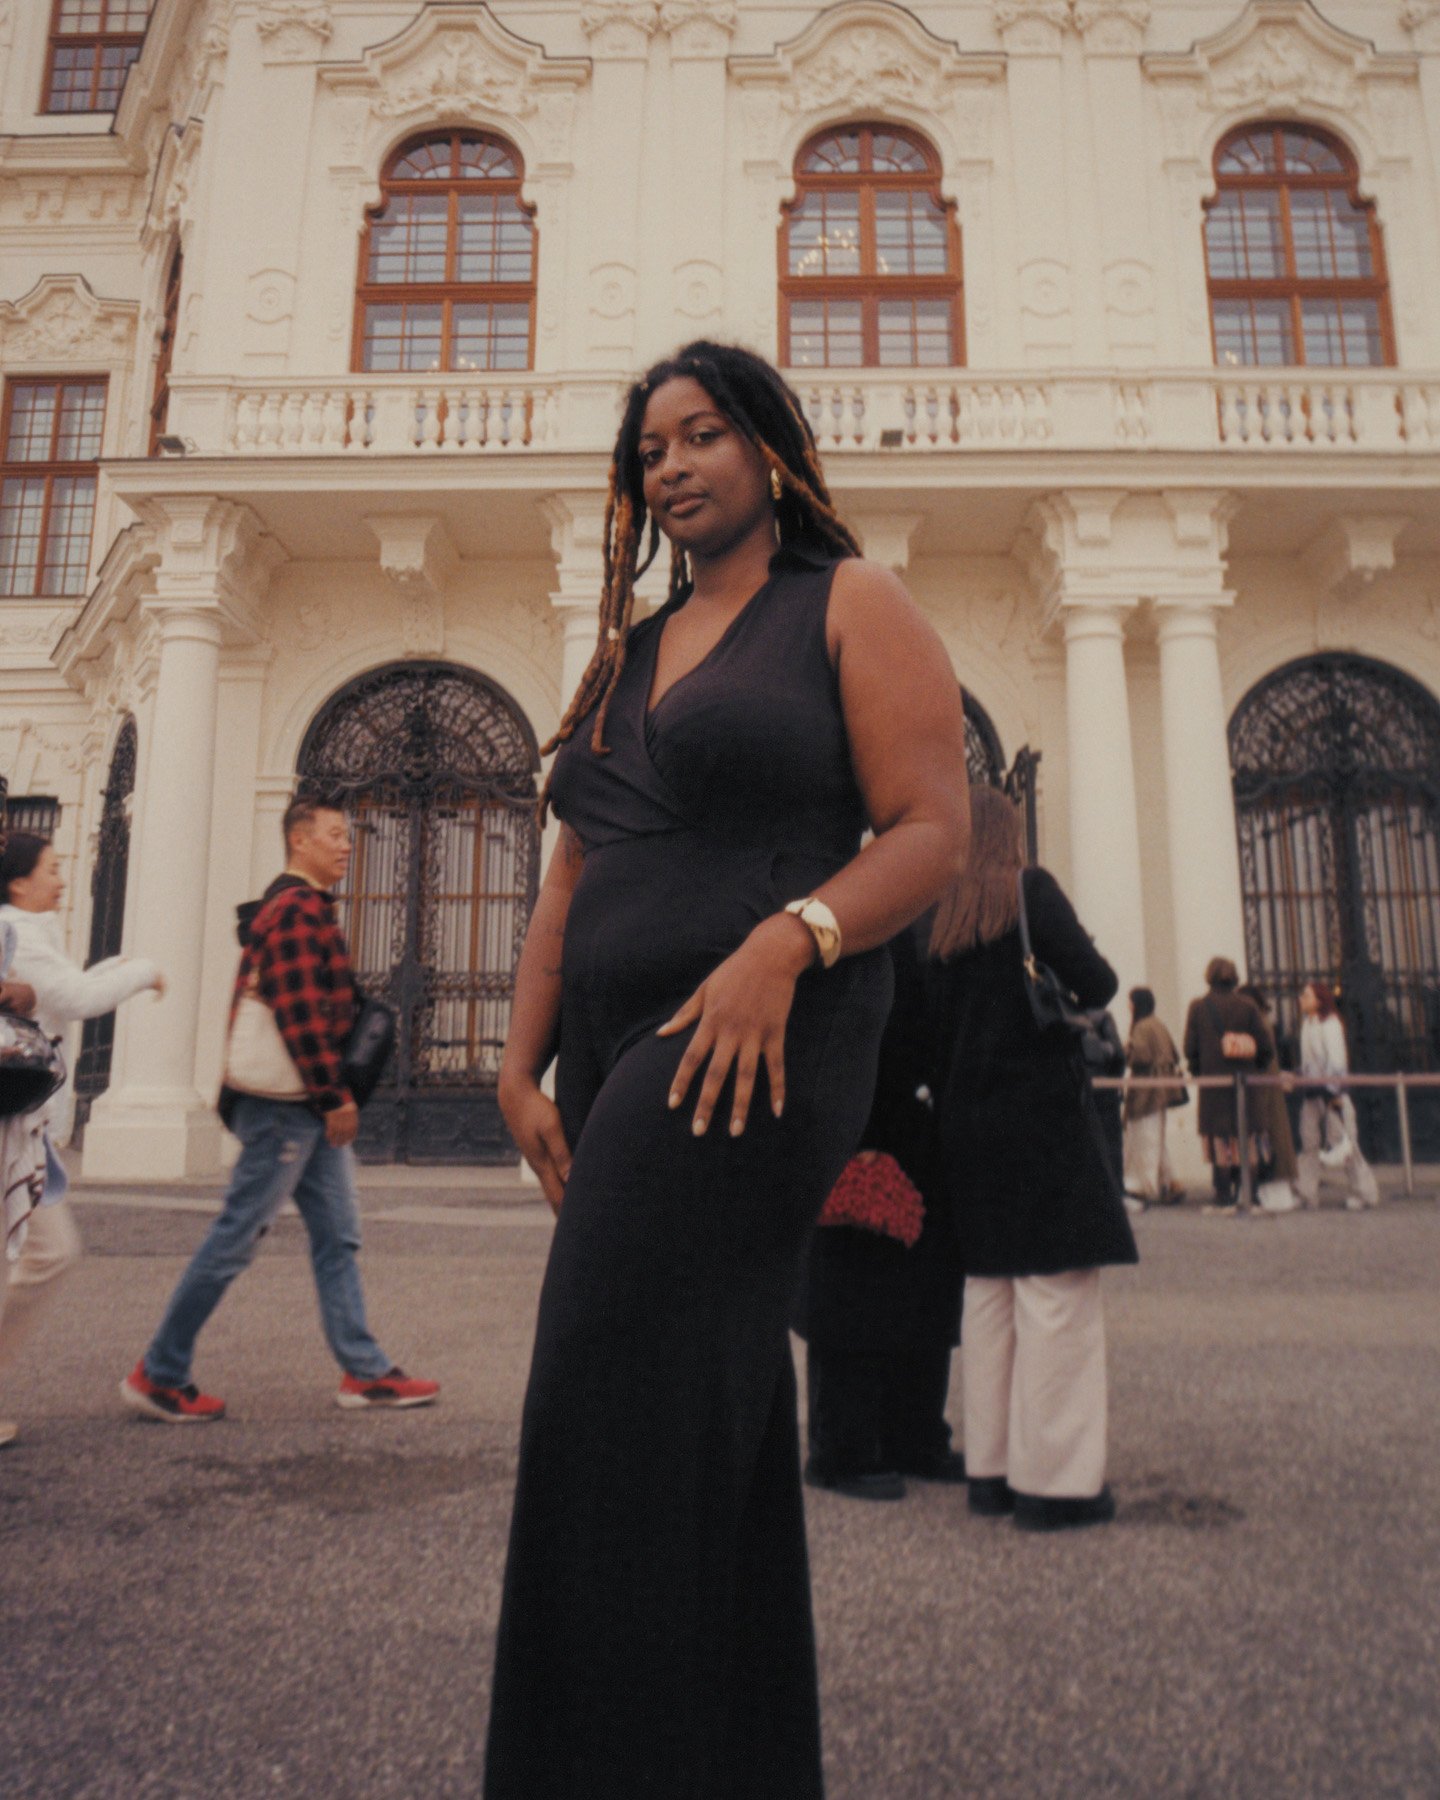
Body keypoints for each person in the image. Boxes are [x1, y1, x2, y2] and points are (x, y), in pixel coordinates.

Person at [485, 341, 970, 1798]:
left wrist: (790, 941)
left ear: (770, 449)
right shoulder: (623, 655)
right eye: (651, 451)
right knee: (705, 1399)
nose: (675, 466)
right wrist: (516, 1072)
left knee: (600, 1391)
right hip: (611, 1048)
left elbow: (931, 831)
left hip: (753, 1041)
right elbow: (572, 879)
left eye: (704, 436)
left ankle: (599, 1764)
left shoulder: (850, 604)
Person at [121, 798, 438, 1423]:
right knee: (237, 1235)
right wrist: (334, 1095)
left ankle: (365, 1372)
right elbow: (299, 1012)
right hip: (286, 1107)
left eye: (347, 836)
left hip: (299, 1107)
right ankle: (160, 1372)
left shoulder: (305, 906)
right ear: (300, 842)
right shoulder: (295, 909)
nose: (347, 845)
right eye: (335, 835)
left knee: (337, 1238)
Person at [925, 786, 1136, 1533]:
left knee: (989, 1296)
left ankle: (992, 1470)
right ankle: (1056, 1484)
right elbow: (1100, 982)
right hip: (1039, 1122)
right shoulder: (1028, 891)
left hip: (964, 1128)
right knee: (1057, 1295)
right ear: (1009, 835)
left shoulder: (937, 916)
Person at [0, 832, 164, 1448]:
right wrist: (143, 972)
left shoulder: (26, 931)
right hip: (13, 1120)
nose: (63, 879)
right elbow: (79, 997)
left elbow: (64, 989)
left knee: (49, 1252)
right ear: (19, 882)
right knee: (36, 1254)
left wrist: (115, 970)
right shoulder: (15, 925)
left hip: (25, 1123)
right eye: (52, 868)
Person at [794, 916, 965, 1503]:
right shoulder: (859, 904)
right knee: (854, 1297)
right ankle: (840, 1449)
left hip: (922, 1132)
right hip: (860, 1127)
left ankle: (915, 1433)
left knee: (922, 1298)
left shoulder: (938, 913)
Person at [1183, 958, 1272, 1213]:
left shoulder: (1199, 1007)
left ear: (1209, 977)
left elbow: (1189, 1047)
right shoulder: (1248, 1006)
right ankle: (1250, 1193)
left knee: (1221, 1143)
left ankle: (1223, 1194)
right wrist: (1255, 1067)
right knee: (1248, 1141)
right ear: (1234, 978)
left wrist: (1199, 1070)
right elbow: (1265, 1045)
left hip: (1214, 1085)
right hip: (1245, 1081)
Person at [1295, 981, 1379, 1212]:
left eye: (1306, 995)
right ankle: (1307, 1192)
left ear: (1319, 1000)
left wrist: (1333, 1094)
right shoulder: (1307, 1024)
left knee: (1345, 1145)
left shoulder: (1330, 1025)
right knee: (1309, 1142)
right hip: (1312, 1092)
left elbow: (1337, 1062)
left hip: (1331, 1094)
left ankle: (1365, 1193)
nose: (1301, 999)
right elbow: (1309, 1061)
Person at [1238, 983, 1300, 1210]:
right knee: (1276, 1138)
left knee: (1270, 1140)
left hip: (1263, 1088)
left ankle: (1270, 1192)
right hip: (1270, 1087)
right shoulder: (1263, 1020)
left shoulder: (1256, 1023)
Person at [1124, 987, 1184, 1205]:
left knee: (1144, 1137)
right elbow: (1175, 1053)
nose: (1128, 1006)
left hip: (1146, 1090)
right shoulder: (1158, 1024)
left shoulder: (1141, 1027)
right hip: (1163, 1089)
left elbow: (1141, 1055)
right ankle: (1170, 1182)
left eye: (1130, 1001)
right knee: (1157, 1137)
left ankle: (1144, 1187)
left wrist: (1126, 1050)